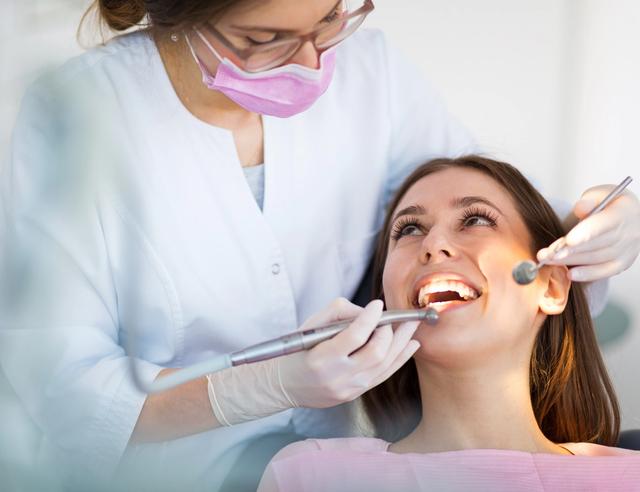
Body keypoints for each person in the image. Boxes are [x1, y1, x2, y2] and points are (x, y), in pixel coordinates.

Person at [1, 0, 639, 490]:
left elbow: (480, 200)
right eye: (265, 39)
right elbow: (65, 392)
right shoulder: (81, 118)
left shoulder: (374, 76)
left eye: (332, 18)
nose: (313, 66)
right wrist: (261, 386)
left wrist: (587, 222)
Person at [257, 155, 640, 492]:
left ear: (551, 286)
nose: (433, 243)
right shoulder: (310, 477)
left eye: (475, 219)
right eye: (409, 229)